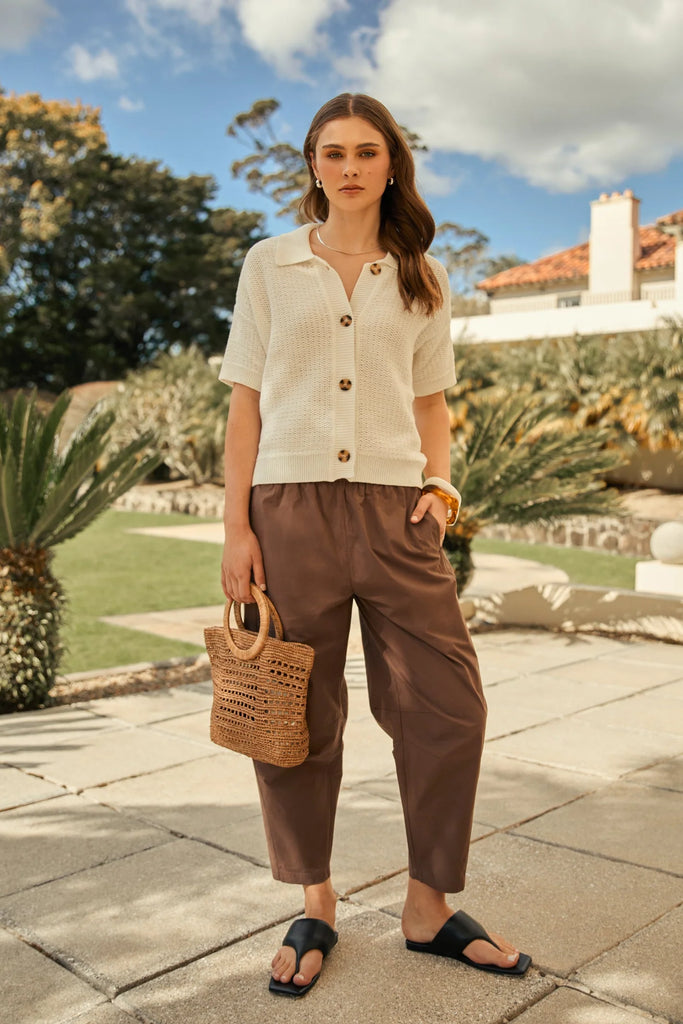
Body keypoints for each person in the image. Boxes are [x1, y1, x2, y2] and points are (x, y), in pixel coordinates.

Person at [219, 92, 531, 997]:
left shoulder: (420, 274)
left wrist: (440, 489)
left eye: (365, 151)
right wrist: (236, 526)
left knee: (448, 705)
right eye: (331, 152)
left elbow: (431, 401)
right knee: (294, 715)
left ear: (391, 163)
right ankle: (314, 901)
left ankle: (427, 907)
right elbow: (245, 401)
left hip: (399, 514)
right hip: (290, 510)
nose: (348, 166)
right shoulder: (269, 264)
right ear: (312, 165)